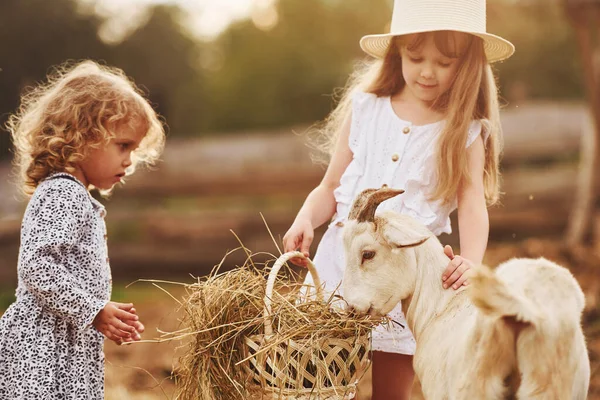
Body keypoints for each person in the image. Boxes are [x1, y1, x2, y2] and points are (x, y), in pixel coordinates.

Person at [283, 0, 515, 398]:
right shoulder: (367, 109)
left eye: (445, 61)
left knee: (390, 391)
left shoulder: (464, 131)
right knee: (317, 382)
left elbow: (473, 202)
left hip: (407, 281)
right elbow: (329, 187)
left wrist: (472, 261)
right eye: (415, 56)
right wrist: (306, 218)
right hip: (342, 270)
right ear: (397, 53)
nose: (427, 71)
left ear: (470, 64)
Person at [0, 60, 165, 399]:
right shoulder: (63, 193)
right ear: (82, 136)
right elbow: (37, 266)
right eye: (123, 146)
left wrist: (99, 313)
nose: (129, 161)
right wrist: (93, 309)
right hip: (43, 354)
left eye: (134, 149)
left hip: (65, 345)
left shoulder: (73, 195)